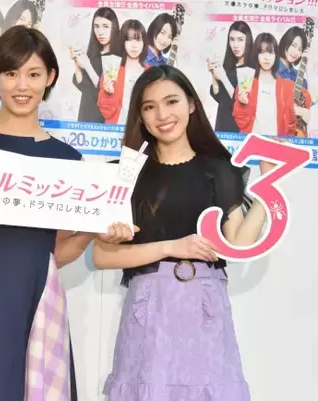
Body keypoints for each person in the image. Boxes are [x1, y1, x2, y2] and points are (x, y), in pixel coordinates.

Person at [0, 25, 132, 401]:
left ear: (51, 78)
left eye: (33, 74)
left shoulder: (66, 158)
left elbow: (58, 251)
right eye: (11, 73)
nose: (22, 86)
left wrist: (94, 228)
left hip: (37, 293)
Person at [94, 65, 273, 400]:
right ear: (140, 116)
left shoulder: (220, 169)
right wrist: (172, 247)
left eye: (172, 101)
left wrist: (269, 187)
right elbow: (102, 256)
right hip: (149, 304)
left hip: (205, 303)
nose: (163, 115)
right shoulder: (125, 174)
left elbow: (238, 243)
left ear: (191, 104)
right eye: (150, 107)